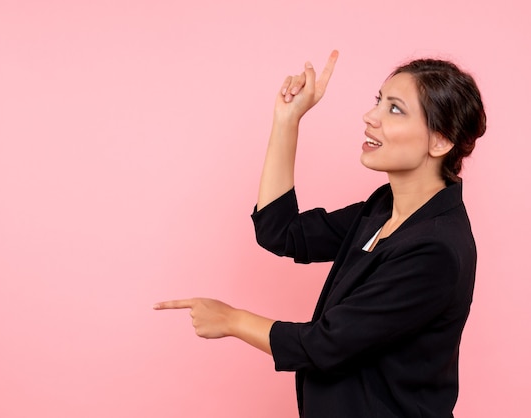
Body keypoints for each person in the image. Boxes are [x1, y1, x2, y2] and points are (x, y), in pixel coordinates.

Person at [154, 50, 486, 418]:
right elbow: (282, 232)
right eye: (379, 101)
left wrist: (231, 320)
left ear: (439, 142)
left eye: (395, 109)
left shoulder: (435, 249)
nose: (370, 117)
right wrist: (287, 120)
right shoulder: (384, 208)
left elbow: (326, 344)